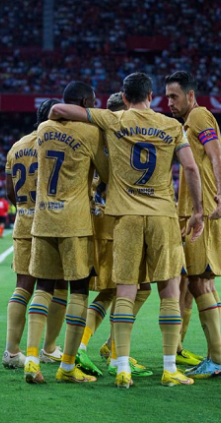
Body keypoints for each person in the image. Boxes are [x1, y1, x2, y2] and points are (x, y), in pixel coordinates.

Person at [49, 72, 204, 388]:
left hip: (125, 218)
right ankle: (170, 368)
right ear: (151, 96)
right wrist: (198, 211)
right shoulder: (172, 126)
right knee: (169, 292)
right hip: (162, 215)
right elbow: (190, 167)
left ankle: (122, 368)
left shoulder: (113, 119)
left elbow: (64, 110)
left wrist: (53, 115)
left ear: (125, 94)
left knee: (124, 291)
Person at [24, 82, 109, 384]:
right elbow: (107, 172)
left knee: (43, 287)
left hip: (44, 218)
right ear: (86, 102)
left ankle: (31, 360)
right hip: (75, 221)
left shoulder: (44, 128)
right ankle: (68, 367)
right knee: (80, 290)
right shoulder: (90, 132)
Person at [76, 93, 154, 379]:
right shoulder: (124, 136)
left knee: (113, 290)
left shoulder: (97, 134)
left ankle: (105, 347)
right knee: (136, 288)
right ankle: (107, 350)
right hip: (118, 221)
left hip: (99, 217)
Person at [165, 71, 221, 378]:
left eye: (174, 96)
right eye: (167, 96)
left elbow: (216, 155)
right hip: (199, 209)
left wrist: (217, 197)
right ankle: (215, 355)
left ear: (190, 96)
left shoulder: (200, 116)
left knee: (198, 282)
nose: (169, 102)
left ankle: (218, 358)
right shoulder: (189, 123)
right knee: (203, 282)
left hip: (202, 212)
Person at [2, 99, 71, 370]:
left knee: (23, 286)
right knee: (57, 285)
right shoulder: (58, 144)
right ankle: (49, 348)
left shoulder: (17, 146)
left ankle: (11, 351)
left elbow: (10, 192)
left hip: (23, 221)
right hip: (52, 222)